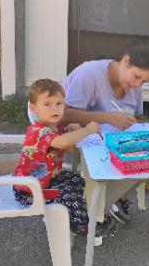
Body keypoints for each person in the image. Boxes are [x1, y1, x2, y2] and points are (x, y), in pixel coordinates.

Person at [62, 41, 149, 223]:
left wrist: (135, 120)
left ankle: (108, 202)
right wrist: (109, 117)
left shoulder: (134, 87)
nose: (137, 85)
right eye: (136, 77)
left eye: (143, 81)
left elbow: (138, 116)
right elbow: (64, 115)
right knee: (127, 161)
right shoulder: (88, 75)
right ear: (126, 61)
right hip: (84, 140)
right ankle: (95, 209)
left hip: (114, 140)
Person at [13, 79, 112, 237]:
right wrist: (86, 130)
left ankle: (82, 215)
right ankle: (82, 227)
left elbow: (70, 148)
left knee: (79, 181)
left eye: (59, 103)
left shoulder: (56, 127)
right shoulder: (38, 131)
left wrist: (70, 130)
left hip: (49, 179)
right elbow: (61, 142)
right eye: (47, 104)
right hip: (30, 189)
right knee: (69, 193)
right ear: (34, 108)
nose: (55, 108)